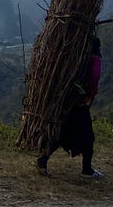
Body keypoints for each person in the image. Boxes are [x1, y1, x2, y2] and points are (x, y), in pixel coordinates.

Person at [36, 35, 104, 179]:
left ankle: (42, 160)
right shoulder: (93, 60)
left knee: (63, 133)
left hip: (63, 100)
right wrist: (90, 97)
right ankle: (87, 169)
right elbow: (94, 79)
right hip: (79, 103)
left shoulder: (72, 57)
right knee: (88, 136)